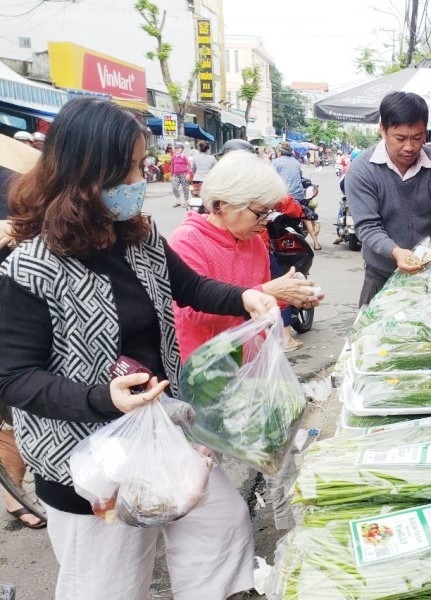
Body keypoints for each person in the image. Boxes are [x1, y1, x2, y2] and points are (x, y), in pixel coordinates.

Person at [0, 97, 278, 599]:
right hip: (87, 462)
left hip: (162, 431)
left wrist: (246, 297)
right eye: (129, 168)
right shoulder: (30, 268)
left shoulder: (137, 237)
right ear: (90, 172)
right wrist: (105, 398)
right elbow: (14, 377)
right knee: (108, 583)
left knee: (220, 527)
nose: (139, 179)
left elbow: (189, 287)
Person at [168, 151, 323, 359]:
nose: (266, 221)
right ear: (224, 203)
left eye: (269, 213)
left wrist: (292, 297)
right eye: (260, 213)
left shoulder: (255, 242)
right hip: (206, 367)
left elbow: (263, 302)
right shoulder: (187, 241)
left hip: (250, 360)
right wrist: (267, 290)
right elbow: (193, 311)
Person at [344, 91, 431, 306]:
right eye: (400, 138)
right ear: (383, 129)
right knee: (372, 337)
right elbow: (367, 226)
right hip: (381, 276)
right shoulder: (362, 170)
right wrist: (396, 252)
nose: (409, 147)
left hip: (430, 275)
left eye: (417, 138)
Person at [0, 133, 44, 529]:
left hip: (15, 300)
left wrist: (18, 231)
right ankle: (14, 492)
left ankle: (16, 490)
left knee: (17, 405)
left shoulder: (18, 165)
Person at [271, 141, 321, 251]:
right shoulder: (296, 162)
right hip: (298, 195)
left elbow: (272, 179)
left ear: (279, 152)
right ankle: (316, 243)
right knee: (305, 215)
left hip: (283, 196)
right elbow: (299, 177)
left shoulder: (276, 162)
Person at [169, 141, 192, 208]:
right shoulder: (174, 156)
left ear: (182, 149)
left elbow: (189, 165)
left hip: (184, 174)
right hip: (176, 174)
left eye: (178, 148)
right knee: (174, 187)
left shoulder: (184, 156)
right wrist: (171, 175)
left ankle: (186, 201)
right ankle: (178, 201)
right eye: (176, 148)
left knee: (185, 188)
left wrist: (188, 174)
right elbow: (172, 165)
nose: (177, 150)